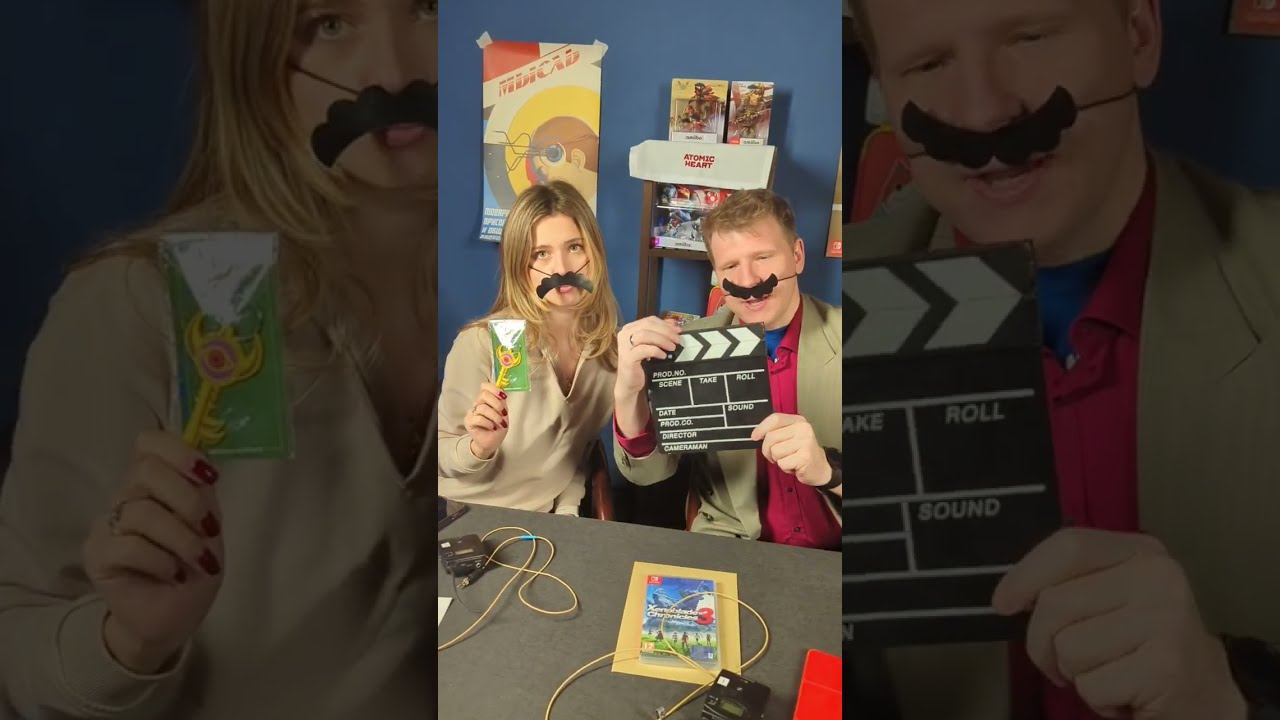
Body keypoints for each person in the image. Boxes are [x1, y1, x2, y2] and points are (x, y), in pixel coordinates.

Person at [0, 1, 439, 717]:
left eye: (431, 9)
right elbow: (20, 657)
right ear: (252, 62)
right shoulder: (139, 304)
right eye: (328, 23)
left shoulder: (540, 278)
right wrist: (127, 641)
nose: (392, 73)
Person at [845, 0, 1280, 718]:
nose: (983, 111)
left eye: (1031, 35)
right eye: (928, 63)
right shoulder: (832, 307)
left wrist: (1231, 699)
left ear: (1138, 37)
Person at [614, 189, 843, 549]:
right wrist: (628, 393)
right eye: (731, 266)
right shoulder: (688, 347)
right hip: (732, 541)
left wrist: (829, 472)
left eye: (762, 257)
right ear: (717, 275)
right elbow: (649, 473)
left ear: (797, 256)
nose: (748, 280)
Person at [437, 180, 620, 515]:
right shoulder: (484, 342)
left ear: (594, 253)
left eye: (575, 247)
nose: (562, 269)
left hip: (550, 518)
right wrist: (478, 448)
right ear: (520, 268)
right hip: (476, 514)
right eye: (541, 254)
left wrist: (568, 510)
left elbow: (577, 449)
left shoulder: (609, 351)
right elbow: (441, 456)